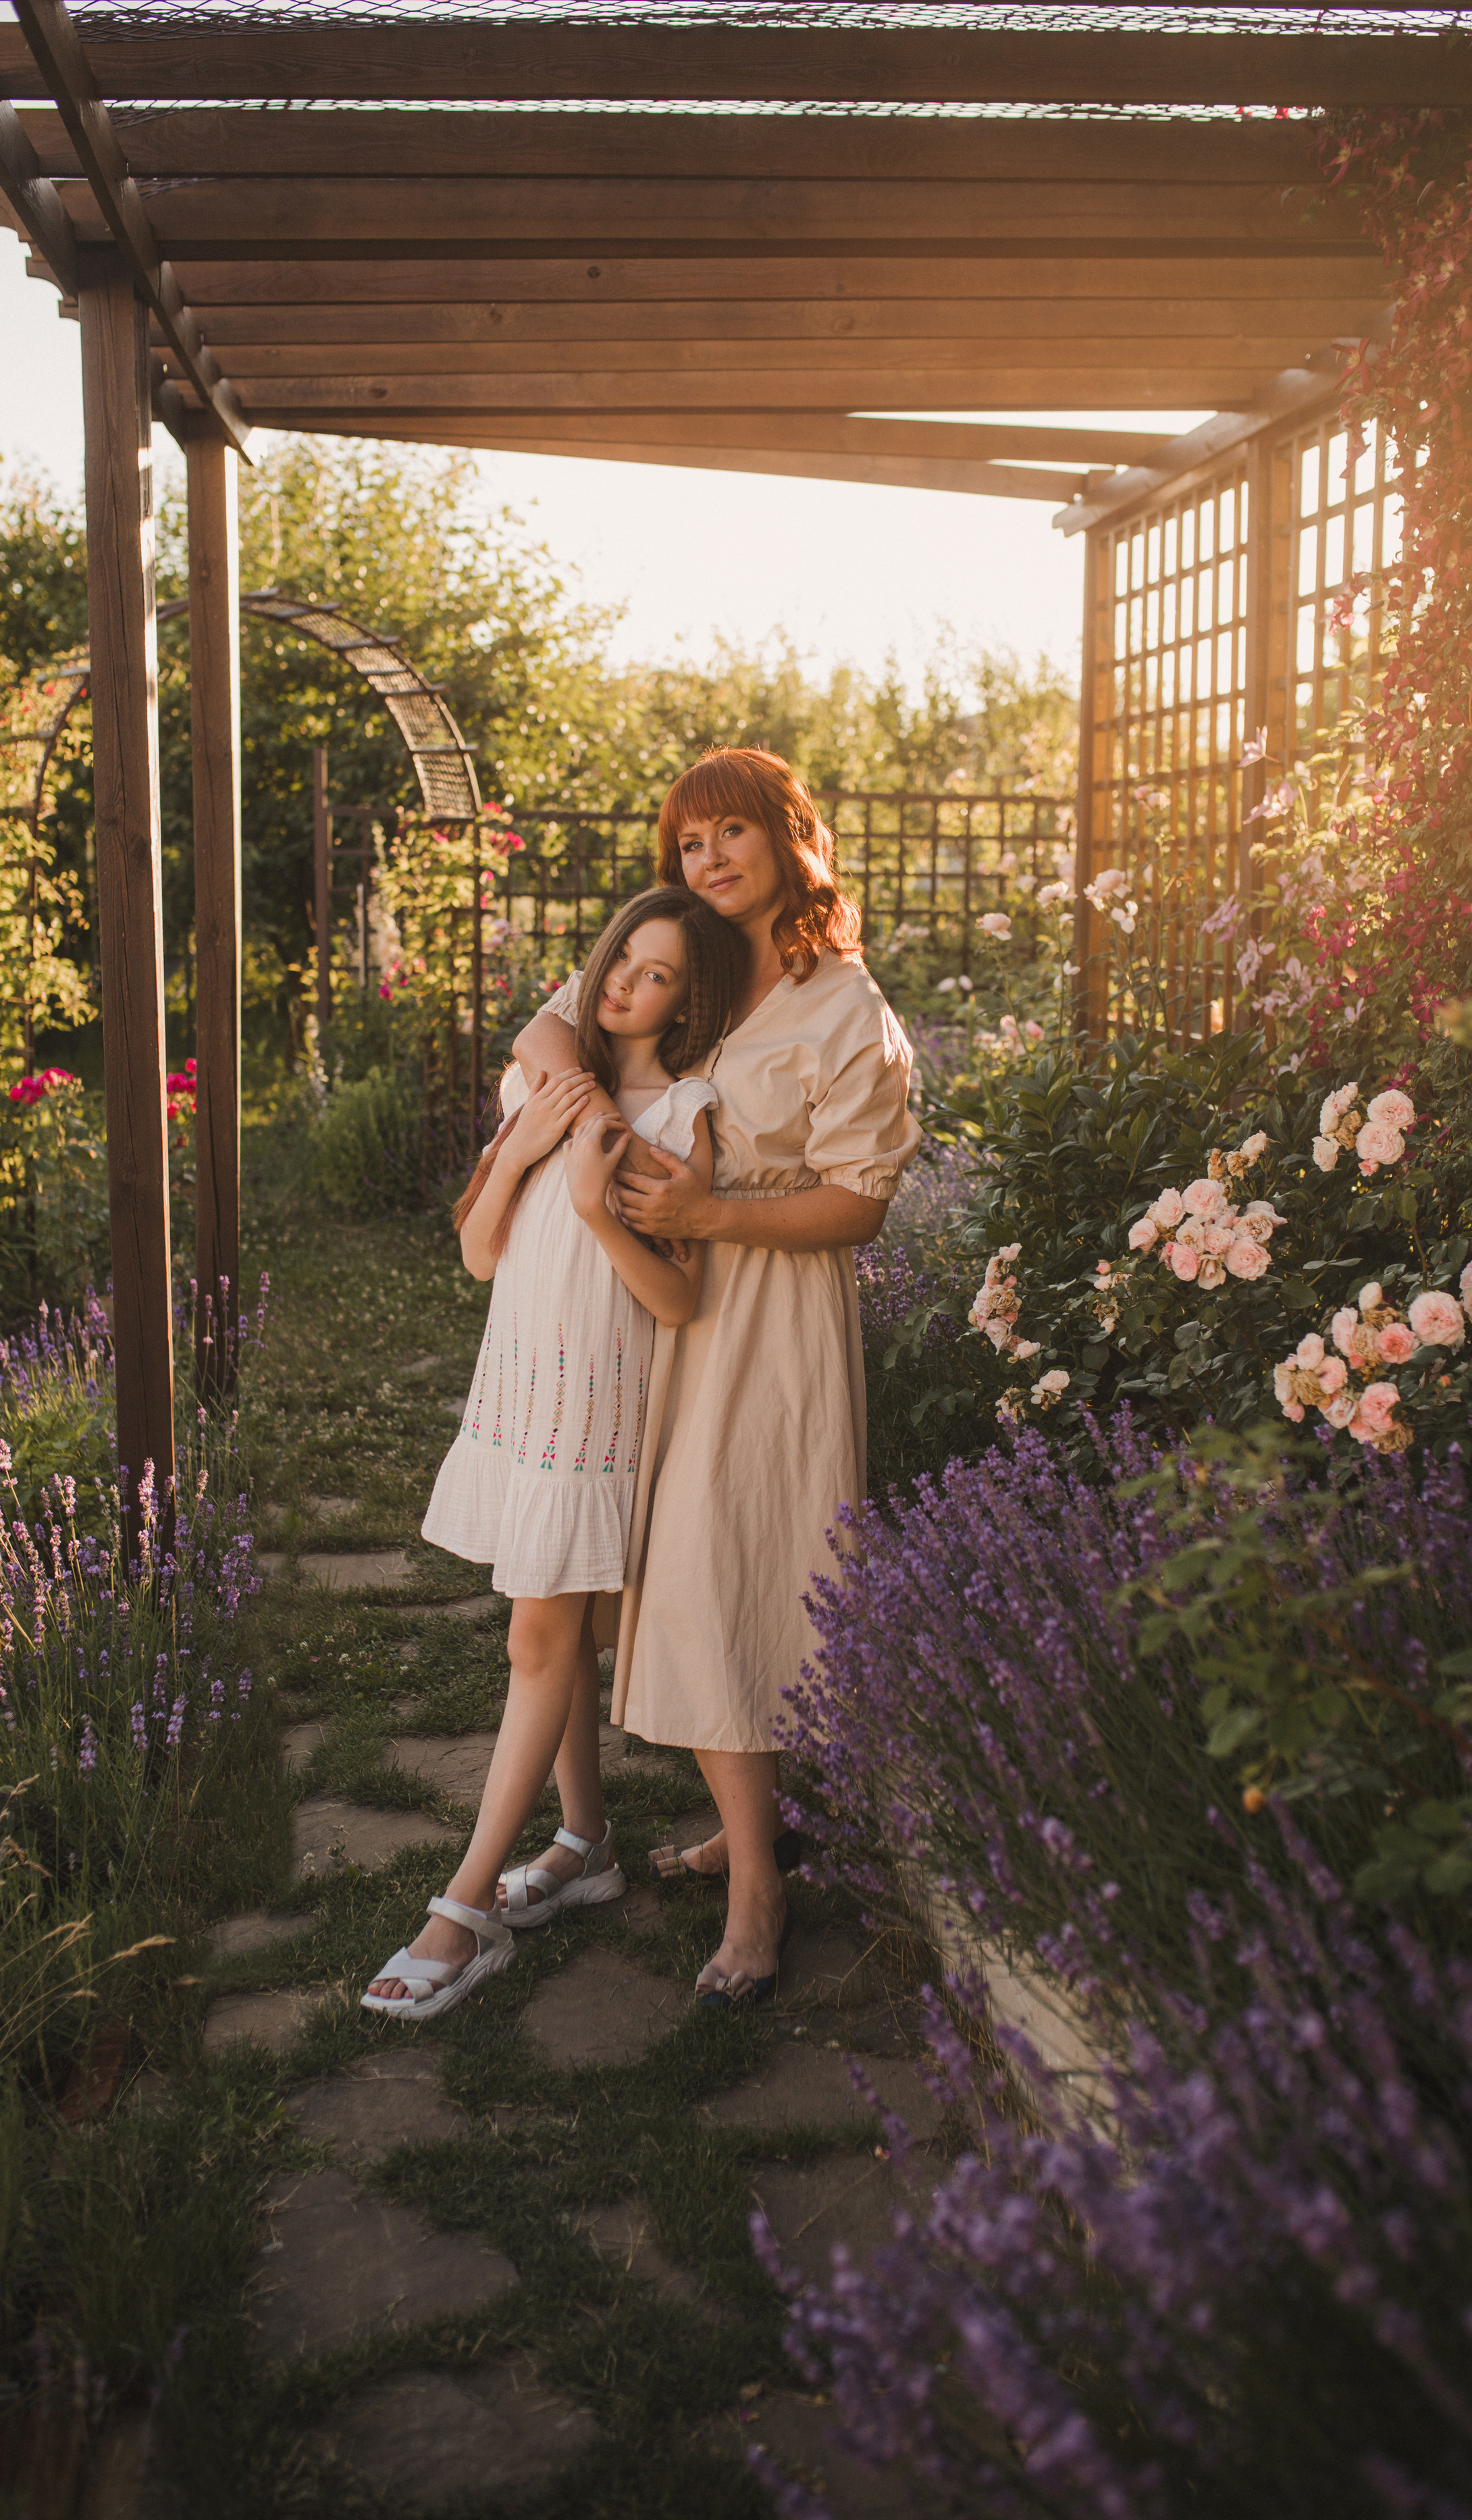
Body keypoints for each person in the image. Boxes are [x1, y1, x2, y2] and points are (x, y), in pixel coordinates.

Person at [514, 748, 919, 2005]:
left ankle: (758, 1891)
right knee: (668, 1568)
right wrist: (588, 1116)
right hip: (650, 1308)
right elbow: (550, 1022)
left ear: (789, 837)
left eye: (731, 833)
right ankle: (754, 1831)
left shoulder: (843, 1006)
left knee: (722, 1567)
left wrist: (709, 1210)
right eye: (689, 843)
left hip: (765, 1318)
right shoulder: (683, 957)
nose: (710, 861)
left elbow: (858, 1204)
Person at [363, 886, 741, 2019]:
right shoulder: (549, 1083)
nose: (628, 983)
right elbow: (479, 1253)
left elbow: (677, 1300)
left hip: (597, 1414)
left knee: (537, 1634)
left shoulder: (683, 1117)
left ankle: (463, 1909)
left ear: (686, 1002)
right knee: (553, 1630)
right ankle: (584, 1842)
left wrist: (597, 1208)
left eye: (659, 975)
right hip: (521, 1395)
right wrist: (530, 1139)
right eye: (623, 958)